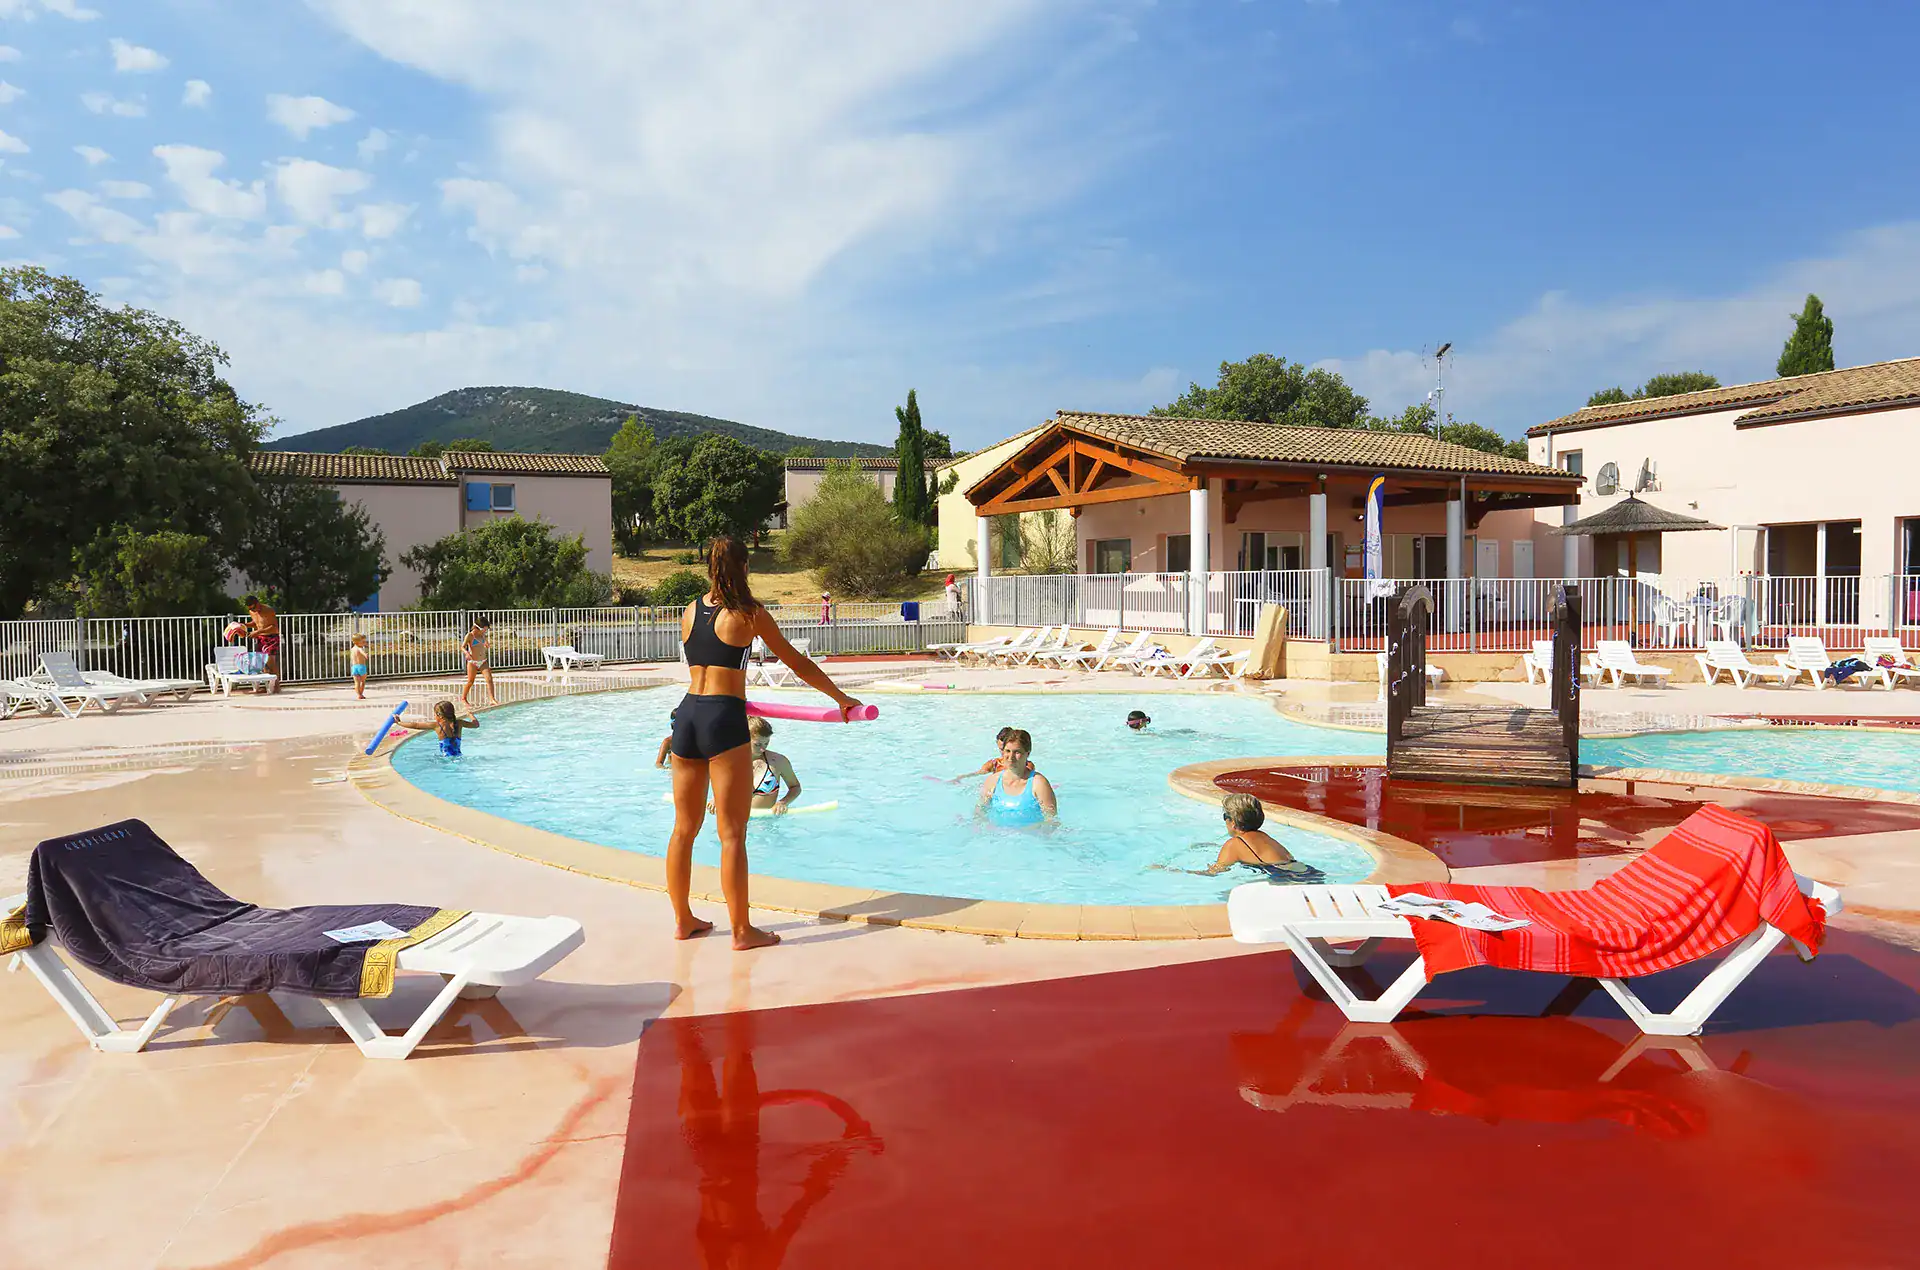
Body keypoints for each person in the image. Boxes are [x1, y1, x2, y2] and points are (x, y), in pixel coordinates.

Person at [667, 534, 863, 950]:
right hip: (723, 716)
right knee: (732, 833)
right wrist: (840, 698)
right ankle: (741, 931)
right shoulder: (750, 614)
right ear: (744, 568)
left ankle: (683, 920)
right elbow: (797, 663)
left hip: (687, 714)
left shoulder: (689, 611)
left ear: (709, 567)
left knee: (683, 830)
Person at [1181, 794, 1321, 879]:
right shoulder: (1264, 837)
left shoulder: (1233, 844)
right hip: (1307, 871)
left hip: (1284, 878)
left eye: (1225, 817)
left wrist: (1172, 870)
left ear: (1233, 823)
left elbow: (1213, 873)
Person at [976, 728, 1056, 827]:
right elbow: (979, 813)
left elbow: (1051, 821)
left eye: (1017, 752)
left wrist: (1021, 832)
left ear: (1027, 753)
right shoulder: (992, 781)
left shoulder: (1039, 783)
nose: (1010, 757)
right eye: (1007, 751)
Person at [746, 717, 802, 814]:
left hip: (766, 825)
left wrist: (783, 802)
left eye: (766, 743)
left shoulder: (778, 761)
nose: (762, 749)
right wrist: (717, 801)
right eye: (757, 744)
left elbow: (795, 787)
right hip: (735, 820)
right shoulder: (731, 762)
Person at [399, 700, 479, 757]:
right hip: (459, 757)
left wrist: (399, 722)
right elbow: (476, 725)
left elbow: (415, 725)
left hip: (446, 759)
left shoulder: (437, 726)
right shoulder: (460, 723)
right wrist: (470, 715)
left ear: (439, 715)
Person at [242, 595, 280, 693]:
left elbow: (273, 626)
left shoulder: (268, 610)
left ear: (258, 603)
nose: (253, 611)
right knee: (263, 662)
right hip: (261, 638)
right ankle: (268, 685)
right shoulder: (252, 611)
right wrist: (244, 625)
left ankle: (276, 686)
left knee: (270, 660)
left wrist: (257, 632)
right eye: (251, 609)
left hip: (271, 637)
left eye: (254, 608)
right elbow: (257, 623)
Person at [461, 615, 497, 707]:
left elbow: (484, 642)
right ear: (478, 627)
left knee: (489, 679)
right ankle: (463, 698)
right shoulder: (470, 635)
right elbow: (462, 647)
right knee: (470, 681)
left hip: (483, 661)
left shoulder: (482, 634)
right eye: (484, 629)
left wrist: (486, 643)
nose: (485, 631)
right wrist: (466, 653)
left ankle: (492, 699)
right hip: (473, 662)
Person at [349, 633, 371, 700]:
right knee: (363, 682)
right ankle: (361, 694)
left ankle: (358, 694)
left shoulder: (352, 649)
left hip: (354, 667)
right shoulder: (359, 648)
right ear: (357, 642)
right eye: (363, 642)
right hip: (361, 667)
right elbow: (362, 653)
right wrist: (365, 655)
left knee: (357, 682)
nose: (365, 643)